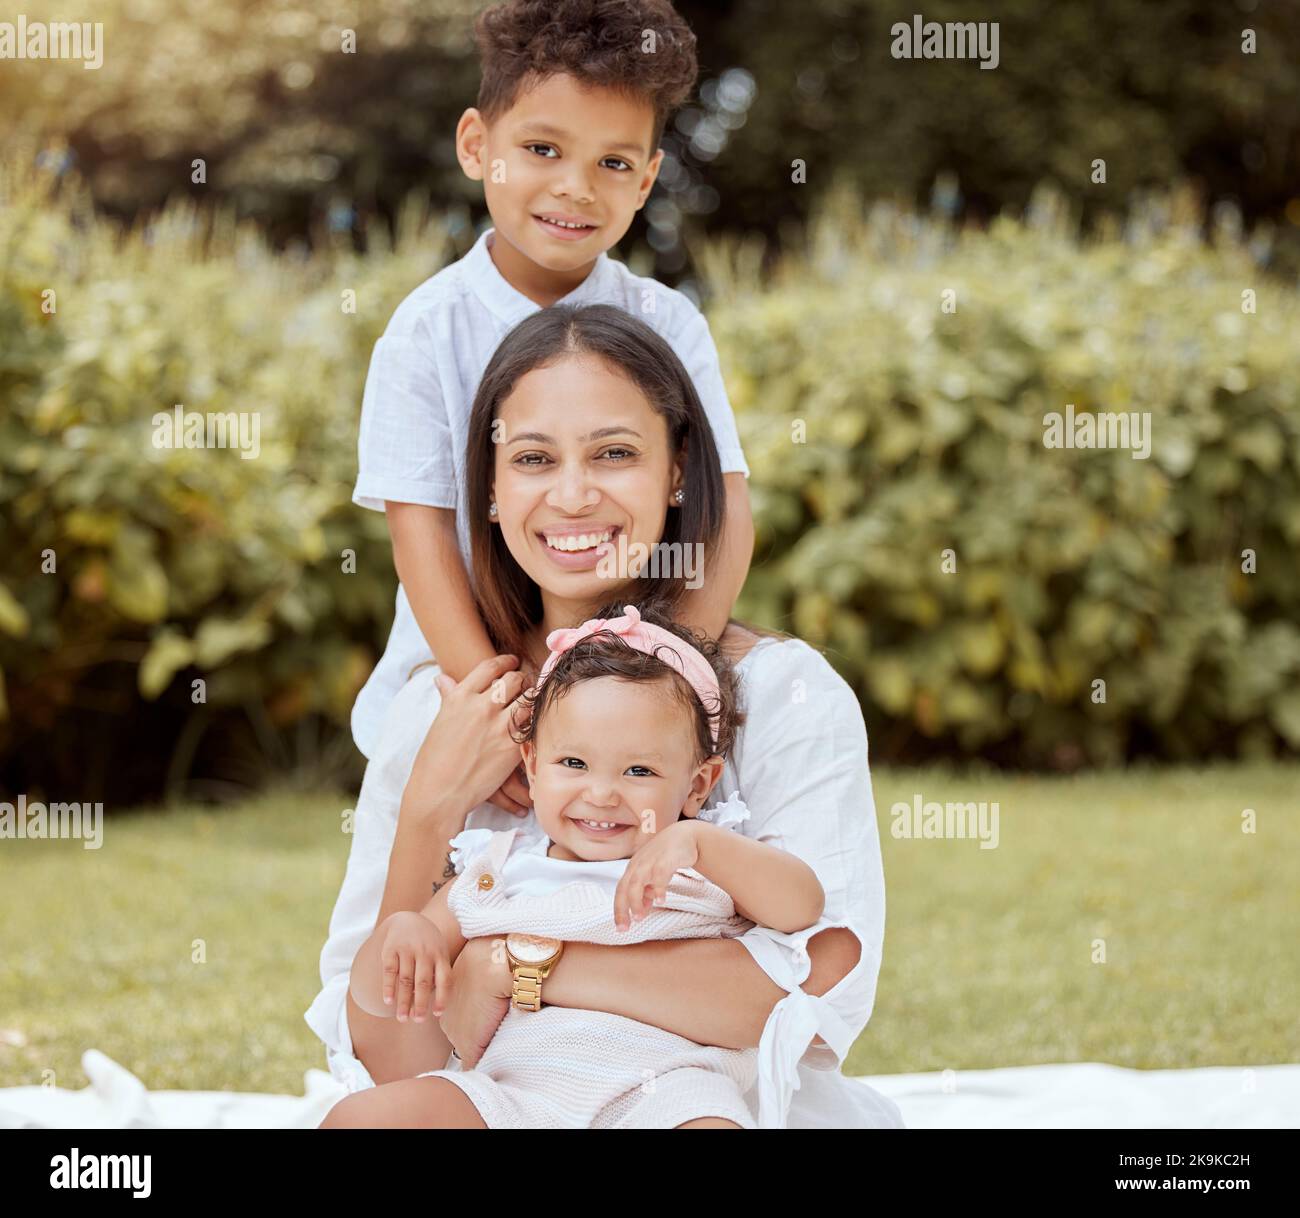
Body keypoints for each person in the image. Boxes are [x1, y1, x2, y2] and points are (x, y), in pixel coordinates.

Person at [305, 305, 904, 1129]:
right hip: (508, 1100)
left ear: (678, 471)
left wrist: (525, 964)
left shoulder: (785, 695)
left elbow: (801, 997)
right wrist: (429, 810)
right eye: (533, 458)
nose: (574, 494)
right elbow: (393, 1060)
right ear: (488, 487)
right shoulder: (440, 715)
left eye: (615, 453)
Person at [349, 0, 754, 797]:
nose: (574, 188)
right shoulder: (427, 332)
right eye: (542, 148)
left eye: (612, 163)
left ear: (644, 182)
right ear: (477, 146)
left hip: (643, 660)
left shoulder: (668, 324)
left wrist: (667, 682)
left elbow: (728, 516)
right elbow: (422, 538)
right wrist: (512, 716)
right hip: (470, 671)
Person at [321, 604, 826, 1128]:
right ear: (533, 767)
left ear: (698, 785)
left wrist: (700, 844)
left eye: (638, 769)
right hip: (511, 1094)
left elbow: (802, 904)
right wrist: (402, 934)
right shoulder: (496, 872)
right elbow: (374, 994)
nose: (602, 794)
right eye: (575, 764)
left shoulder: (701, 866)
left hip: (666, 1093)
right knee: (361, 1118)